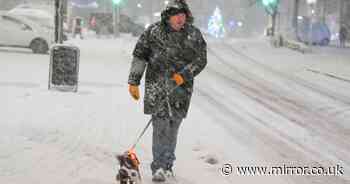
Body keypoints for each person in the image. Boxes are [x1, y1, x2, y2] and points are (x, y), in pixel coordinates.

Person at [127, 0, 207, 182]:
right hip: (157, 87)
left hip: (181, 90)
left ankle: (168, 165)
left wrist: (184, 75)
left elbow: (201, 59)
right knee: (160, 127)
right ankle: (158, 167)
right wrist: (134, 81)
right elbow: (140, 55)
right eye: (176, 15)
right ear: (168, 16)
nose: (180, 18)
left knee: (172, 128)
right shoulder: (153, 32)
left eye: (183, 14)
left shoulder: (193, 34)